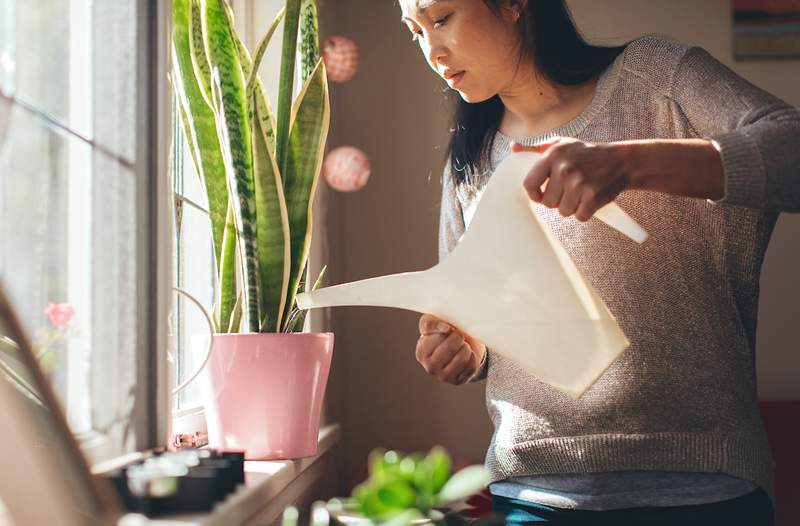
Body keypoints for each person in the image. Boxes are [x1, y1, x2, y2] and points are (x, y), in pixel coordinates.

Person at [399, 0, 800, 524]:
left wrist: (627, 162)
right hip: (531, 493)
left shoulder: (655, 75)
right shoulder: (469, 157)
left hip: (703, 486)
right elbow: (477, 322)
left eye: (442, 18)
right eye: (415, 32)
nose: (432, 49)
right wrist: (462, 348)